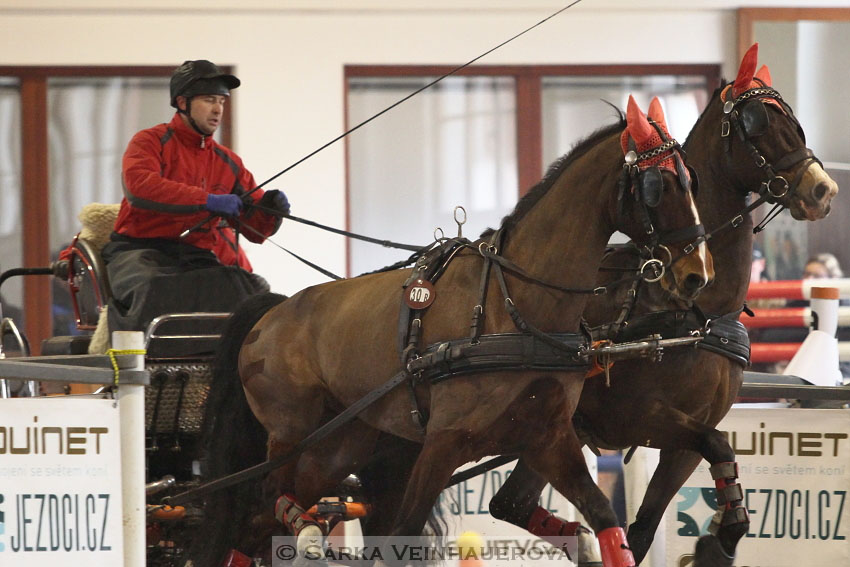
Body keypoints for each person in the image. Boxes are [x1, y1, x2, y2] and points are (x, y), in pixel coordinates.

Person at [100, 59, 290, 333]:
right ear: (182, 103)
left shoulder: (228, 162)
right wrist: (207, 200)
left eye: (222, 102)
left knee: (252, 291)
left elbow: (255, 230)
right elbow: (141, 186)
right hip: (139, 251)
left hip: (196, 256)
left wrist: (272, 212)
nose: (217, 109)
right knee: (155, 289)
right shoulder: (149, 141)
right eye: (208, 100)